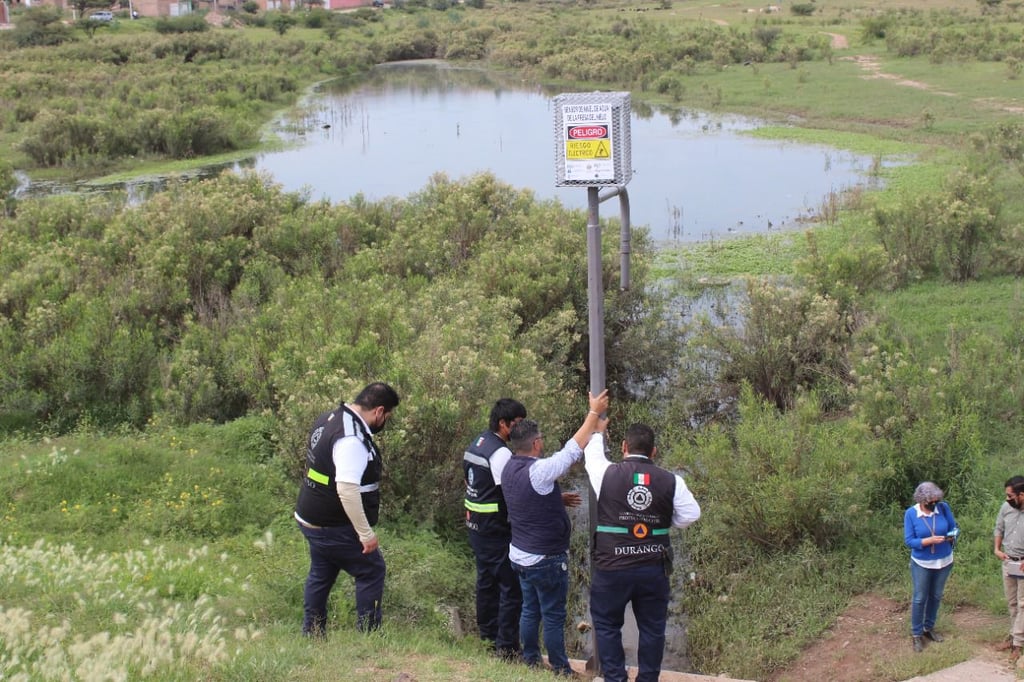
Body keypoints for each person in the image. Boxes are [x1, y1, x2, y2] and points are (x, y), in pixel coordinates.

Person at [583, 419, 700, 682]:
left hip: (612, 568)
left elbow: (591, 455)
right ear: (654, 451)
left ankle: (615, 678)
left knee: (607, 624)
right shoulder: (672, 481)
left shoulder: (607, 473)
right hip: (653, 569)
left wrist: (599, 431)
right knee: (652, 629)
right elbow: (692, 514)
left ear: (624, 446)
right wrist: (659, 520)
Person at [502, 389, 609, 677]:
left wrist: (555, 498)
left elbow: (527, 496)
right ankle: (561, 668)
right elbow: (572, 450)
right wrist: (593, 414)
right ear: (536, 444)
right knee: (552, 615)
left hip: (520, 555)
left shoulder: (508, 466)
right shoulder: (540, 471)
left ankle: (531, 660)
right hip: (544, 558)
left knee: (529, 610)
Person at [294, 382, 400, 637]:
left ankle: (313, 632)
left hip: (310, 516)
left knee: (321, 572)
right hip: (332, 523)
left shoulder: (330, 417)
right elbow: (347, 490)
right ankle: (369, 635)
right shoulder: (352, 439)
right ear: (379, 411)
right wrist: (365, 534)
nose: (386, 421)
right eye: (388, 416)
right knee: (371, 570)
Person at [463, 398, 528, 659]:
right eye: (518, 424)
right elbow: (512, 491)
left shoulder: (478, 442)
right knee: (510, 588)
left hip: (475, 525)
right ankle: (507, 647)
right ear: (503, 424)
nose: (521, 430)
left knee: (486, 583)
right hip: (495, 529)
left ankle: (488, 638)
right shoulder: (500, 453)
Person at [903, 481, 958, 653]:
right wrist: (929, 541)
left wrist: (951, 536)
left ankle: (929, 628)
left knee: (936, 595)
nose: (934, 504)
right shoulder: (911, 514)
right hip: (922, 563)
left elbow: (954, 527)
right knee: (920, 598)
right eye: (931, 502)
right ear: (922, 500)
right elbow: (909, 540)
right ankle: (916, 633)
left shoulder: (943, 508)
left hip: (944, 561)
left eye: (936, 500)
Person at [994, 475, 1024, 660]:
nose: (1007, 499)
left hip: (1023, 564)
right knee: (1012, 603)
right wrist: (997, 549)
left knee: (1023, 604)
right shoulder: (1006, 508)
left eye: (1010, 495)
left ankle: (1018, 645)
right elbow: (999, 528)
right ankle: (1014, 636)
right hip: (1008, 562)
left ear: (1022, 495)